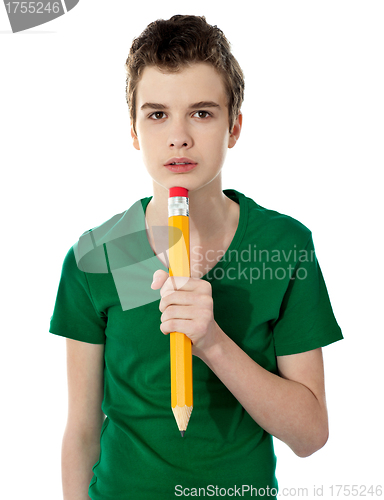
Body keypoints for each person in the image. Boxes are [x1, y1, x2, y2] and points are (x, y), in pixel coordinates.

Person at [49, 14, 343, 500]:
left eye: (202, 113)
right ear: (134, 130)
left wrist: (212, 343)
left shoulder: (283, 245)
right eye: (157, 113)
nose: (178, 137)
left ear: (234, 126)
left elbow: (310, 436)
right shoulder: (101, 255)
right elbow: (81, 430)